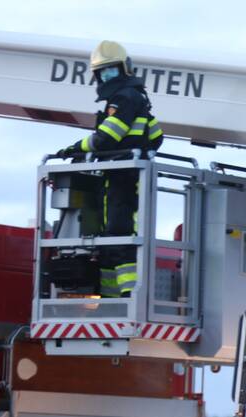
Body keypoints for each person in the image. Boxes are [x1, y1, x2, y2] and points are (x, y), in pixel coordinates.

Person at [56, 40, 163, 297]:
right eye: (103, 72)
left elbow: (107, 135)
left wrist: (76, 148)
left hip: (125, 173)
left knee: (119, 233)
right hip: (119, 170)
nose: (107, 76)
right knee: (109, 236)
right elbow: (156, 135)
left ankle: (129, 295)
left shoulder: (125, 97)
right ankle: (110, 297)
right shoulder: (135, 97)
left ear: (125, 69)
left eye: (111, 70)